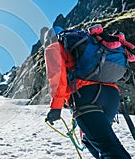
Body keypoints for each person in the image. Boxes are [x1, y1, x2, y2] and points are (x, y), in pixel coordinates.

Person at [44, 26, 131, 159]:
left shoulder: (53, 47)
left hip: (86, 96)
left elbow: (58, 77)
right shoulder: (88, 43)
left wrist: (56, 107)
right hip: (111, 96)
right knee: (90, 139)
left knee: (109, 149)